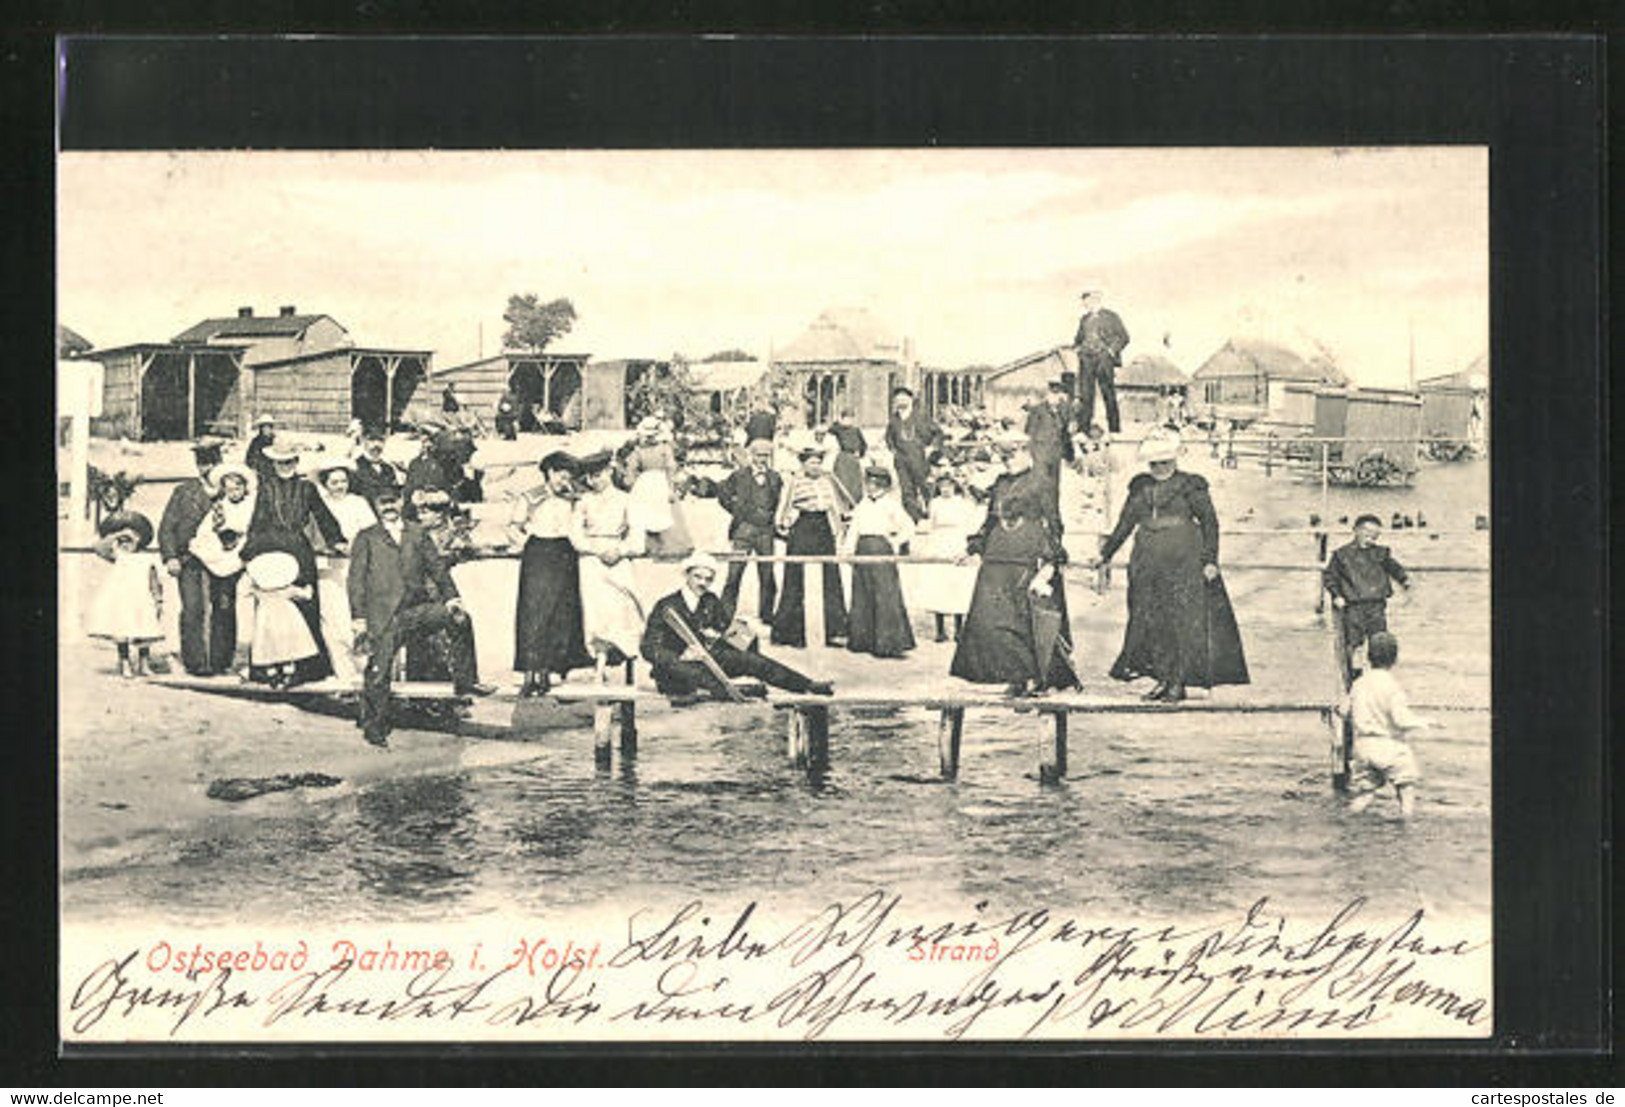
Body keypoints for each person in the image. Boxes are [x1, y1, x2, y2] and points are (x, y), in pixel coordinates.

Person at [1098, 428, 1249, 701]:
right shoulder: (1140, 487)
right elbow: (1124, 524)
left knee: (1179, 622)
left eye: (1164, 463)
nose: (1158, 468)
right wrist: (1105, 554)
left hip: (1184, 564)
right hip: (1145, 564)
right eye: (1154, 463)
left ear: (1174, 461)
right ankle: (1162, 679)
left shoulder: (1191, 486)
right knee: (1151, 622)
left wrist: (1210, 560)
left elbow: (1210, 523)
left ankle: (1177, 681)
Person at [348, 485, 491, 747]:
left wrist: (452, 600)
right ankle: (374, 725)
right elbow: (355, 581)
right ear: (376, 505)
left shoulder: (416, 533)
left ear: (402, 502)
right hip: (384, 616)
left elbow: (438, 570)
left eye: (393, 501)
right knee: (378, 672)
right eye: (383, 502)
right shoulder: (366, 537)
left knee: (460, 619)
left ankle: (466, 682)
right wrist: (359, 618)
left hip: (417, 610)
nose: (389, 507)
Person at [950, 435, 1081, 696]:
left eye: (1012, 455)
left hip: (1027, 552)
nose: (1007, 460)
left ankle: (1036, 677)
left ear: (1026, 453)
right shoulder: (1000, 483)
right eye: (1003, 456)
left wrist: (1053, 559)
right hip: (997, 556)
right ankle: (1015, 676)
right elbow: (989, 521)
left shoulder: (1042, 481)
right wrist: (973, 547)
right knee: (995, 618)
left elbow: (1053, 521)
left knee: (1025, 618)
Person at [641, 553, 833, 703]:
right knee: (700, 676)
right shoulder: (667, 606)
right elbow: (648, 648)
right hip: (675, 670)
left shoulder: (710, 600)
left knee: (754, 661)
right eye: (697, 577)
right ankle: (734, 691)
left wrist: (744, 634)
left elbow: (727, 631)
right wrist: (682, 656)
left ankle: (807, 686)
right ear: (687, 575)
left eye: (708, 579)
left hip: (708, 662)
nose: (702, 583)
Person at [241, 441, 345, 684]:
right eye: (280, 462)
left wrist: (336, 539)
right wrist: (249, 553)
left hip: (298, 549)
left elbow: (322, 515)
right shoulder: (266, 488)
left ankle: (306, 668)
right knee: (270, 607)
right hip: (269, 550)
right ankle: (267, 667)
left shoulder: (307, 488)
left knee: (303, 605)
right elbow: (257, 521)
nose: (285, 466)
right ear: (273, 464)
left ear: (296, 463)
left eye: (289, 462)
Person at [509, 450, 593, 696]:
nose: (563, 480)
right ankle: (530, 669)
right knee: (534, 610)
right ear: (549, 472)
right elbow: (514, 527)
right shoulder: (532, 497)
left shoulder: (575, 498)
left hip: (565, 552)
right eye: (559, 474)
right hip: (538, 552)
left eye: (567, 475)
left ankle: (554, 668)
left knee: (562, 610)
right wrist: (526, 544)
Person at [570, 449, 647, 683]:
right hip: (592, 560)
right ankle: (599, 664)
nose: (595, 481)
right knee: (596, 613)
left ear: (609, 471)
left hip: (618, 559)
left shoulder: (626, 500)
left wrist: (621, 550)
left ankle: (626, 664)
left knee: (622, 609)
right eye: (590, 477)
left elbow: (638, 539)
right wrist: (595, 550)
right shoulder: (583, 501)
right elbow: (575, 535)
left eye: (599, 475)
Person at [1339, 632, 1433, 817]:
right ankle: (1406, 827)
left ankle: (1344, 821)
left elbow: (1343, 711)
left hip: (1363, 747)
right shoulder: (1392, 686)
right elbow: (1400, 720)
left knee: (1365, 795)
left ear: (1368, 657)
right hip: (1388, 745)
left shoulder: (1359, 684)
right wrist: (1423, 722)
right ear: (1395, 658)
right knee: (1406, 788)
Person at [157, 441, 229, 675]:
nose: (207, 469)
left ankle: (221, 661)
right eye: (202, 463)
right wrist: (170, 557)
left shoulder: (231, 491)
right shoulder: (184, 492)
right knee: (193, 608)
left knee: (224, 608)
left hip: (223, 562)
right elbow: (167, 527)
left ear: (221, 464)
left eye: (212, 463)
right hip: (189, 562)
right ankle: (196, 662)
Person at [771, 435, 849, 648]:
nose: (815, 466)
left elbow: (835, 505)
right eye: (811, 462)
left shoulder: (827, 480)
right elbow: (784, 505)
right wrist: (783, 524)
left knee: (831, 576)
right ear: (803, 464)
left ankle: (836, 631)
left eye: (818, 462)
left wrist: (839, 528)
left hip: (824, 527)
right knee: (794, 576)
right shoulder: (793, 481)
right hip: (803, 526)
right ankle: (791, 633)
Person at [185, 461, 256, 673]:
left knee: (255, 608)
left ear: (245, 487)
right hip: (225, 561)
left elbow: (256, 529)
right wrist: (218, 543)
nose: (233, 492)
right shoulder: (218, 508)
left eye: (238, 488)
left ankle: (257, 659)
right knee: (223, 607)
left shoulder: (253, 506)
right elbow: (204, 535)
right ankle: (220, 659)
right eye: (229, 488)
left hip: (248, 556)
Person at [311, 459, 378, 683]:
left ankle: (363, 670)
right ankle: (343, 673)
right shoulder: (318, 504)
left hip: (354, 567)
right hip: (326, 568)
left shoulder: (358, 503)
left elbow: (372, 534)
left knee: (355, 619)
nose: (340, 486)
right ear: (325, 483)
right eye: (334, 482)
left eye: (343, 481)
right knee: (332, 621)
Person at [843, 467, 917, 659]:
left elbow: (909, 526)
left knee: (885, 595)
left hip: (881, 548)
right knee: (862, 592)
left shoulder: (891, 505)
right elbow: (854, 529)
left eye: (875, 484)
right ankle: (863, 641)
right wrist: (848, 550)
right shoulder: (863, 504)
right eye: (868, 483)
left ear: (883, 485)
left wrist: (893, 542)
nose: (871, 487)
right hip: (862, 548)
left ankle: (888, 644)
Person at [1324, 514, 1412, 670]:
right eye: (1367, 533)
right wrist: (1336, 595)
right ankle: (1353, 680)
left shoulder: (1381, 553)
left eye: (1375, 535)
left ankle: (1379, 674)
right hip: (1353, 606)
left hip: (1376, 605)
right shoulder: (1341, 555)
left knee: (1380, 642)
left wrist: (1404, 580)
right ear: (1356, 531)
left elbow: (1394, 568)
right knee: (1354, 645)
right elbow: (1330, 577)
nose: (1370, 538)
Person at [86, 511, 163, 678]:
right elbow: (98, 547)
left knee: (145, 631)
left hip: (142, 600)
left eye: (131, 540)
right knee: (123, 630)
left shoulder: (145, 559)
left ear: (140, 540)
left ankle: (144, 664)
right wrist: (118, 534)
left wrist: (158, 599)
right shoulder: (117, 556)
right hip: (122, 600)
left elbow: (154, 581)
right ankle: (125, 662)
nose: (127, 544)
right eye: (123, 542)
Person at [717, 436, 783, 624]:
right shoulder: (739, 475)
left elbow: (780, 501)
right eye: (759, 455)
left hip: (765, 532)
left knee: (768, 574)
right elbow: (723, 493)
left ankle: (767, 615)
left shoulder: (775, 477)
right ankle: (725, 616)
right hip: (743, 531)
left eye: (766, 455)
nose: (762, 459)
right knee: (734, 574)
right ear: (751, 455)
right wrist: (736, 511)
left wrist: (773, 519)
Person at [916, 471, 983, 643]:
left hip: (956, 542)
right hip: (939, 542)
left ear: (955, 486)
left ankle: (958, 629)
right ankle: (940, 629)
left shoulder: (963, 503)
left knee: (957, 585)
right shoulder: (935, 503)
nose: (945, 489)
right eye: (942, 486)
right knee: (939, 584)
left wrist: (967, 546)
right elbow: (931, 525)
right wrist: (928, 545)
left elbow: (971, 525)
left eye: (949, 485)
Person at [245, 550, 319, 689]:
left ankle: (272, 674)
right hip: (287, 620)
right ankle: (288, 674)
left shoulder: (260, 591)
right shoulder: (287, 589)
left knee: (268, 647)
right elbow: (306, 595)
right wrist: (309, 587)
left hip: (266, 622)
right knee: (287, 648)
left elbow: (247, 591)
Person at [624, 415, 694, 558]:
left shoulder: (653, 450)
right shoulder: (659, 449)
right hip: (652, 481)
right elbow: (670, 467)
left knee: (662, 511)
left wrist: (670, 487)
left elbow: (669, 468)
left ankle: (664, 545)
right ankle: (653, 545)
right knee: (649, 512)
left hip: (651, 481)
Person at [1073, 289, 1130, 435]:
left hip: (1104, 359)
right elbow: (1078, 340)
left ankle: (1114, 429)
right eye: (1084, 301)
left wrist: (1111, 352)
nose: (1084, 304)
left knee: (1108, 393)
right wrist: (1079, 350)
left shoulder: (1111, 316)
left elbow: (1124, 337)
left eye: (1087, 301)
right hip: (1086, 359)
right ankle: (1083, 430)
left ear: (1095, 300)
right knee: (1086, 395)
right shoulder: (1084, 319)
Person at [1025, 379, 1077, 522]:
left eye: (1058, 393)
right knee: (1040, 484)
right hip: (1041, 452)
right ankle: (1037, 514)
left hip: (1055, 452)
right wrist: (1033, 452)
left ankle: (1053, 515)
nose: (1056, 396)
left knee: (1054, 486)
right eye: (1053, 392)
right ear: (1048, 394)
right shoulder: (1038, 410)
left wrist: (1071, 423)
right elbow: (1030, 431)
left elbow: (1071, 428)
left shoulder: (1065, 409)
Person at [885, 386, 938, 521]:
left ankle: (933, 515)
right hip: (901, 460)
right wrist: (893, 449)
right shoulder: (894, 419)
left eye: (904, 399)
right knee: (907, 491)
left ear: (910, 400)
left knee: (926, 487)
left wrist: (932, 448)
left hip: (919, 458)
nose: (901, 402)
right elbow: (889, 437)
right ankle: (915, 518)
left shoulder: (921, 416)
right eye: (898, 399)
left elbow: (938, 433)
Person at [352, 428, 403, 508]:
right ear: (363, 441)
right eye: (371, 440)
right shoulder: (354, 466)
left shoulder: (388, 468)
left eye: (381, 440)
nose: (376, 445)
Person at [243, 415, 278, 481]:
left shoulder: (275, 440)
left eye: (268, 427)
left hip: (274, 470)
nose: (266, 429)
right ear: (261, 428)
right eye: (264, 427)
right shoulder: (256, 441)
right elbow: (249, 458)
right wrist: (254, 468)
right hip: (260, 471)